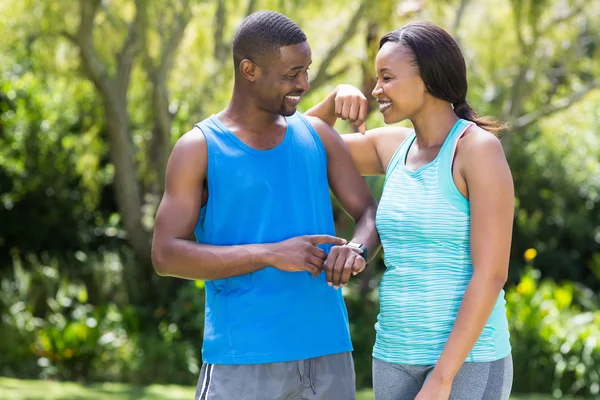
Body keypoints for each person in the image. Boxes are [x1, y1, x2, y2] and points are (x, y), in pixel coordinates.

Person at [151, 10, 380, 400]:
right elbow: (166, 255)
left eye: (306, 70)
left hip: (328, 354)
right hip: (241, 360)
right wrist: (271, 254)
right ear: (249, 70)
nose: (304, 84)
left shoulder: (319, 135)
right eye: (292, 74)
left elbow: (369, 214)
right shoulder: (199, 148)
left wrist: (357, 250)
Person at [306, 21, 514, 400]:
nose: (376, 90)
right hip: (394, 356)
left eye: (387, 77)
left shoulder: (477, 150)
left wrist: (441, 378)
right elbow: (299, 146)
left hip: (468, 361)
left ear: (429, 78)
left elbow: (491, 273)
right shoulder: (392, 146)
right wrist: (334, 99)